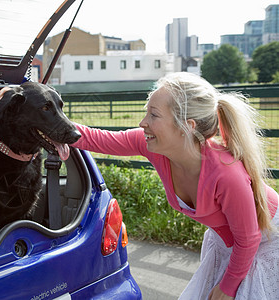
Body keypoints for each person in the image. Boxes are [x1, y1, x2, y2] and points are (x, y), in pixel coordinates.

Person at [70, 72, 278, 300]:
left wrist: (227, 288)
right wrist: (44, 121)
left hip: (266, 243)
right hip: (232, 243)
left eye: (154, 115)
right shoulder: (151, 145)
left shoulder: (227, 175)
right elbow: (95, 138)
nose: (143, 123)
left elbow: (248, 240)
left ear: (186, 126)